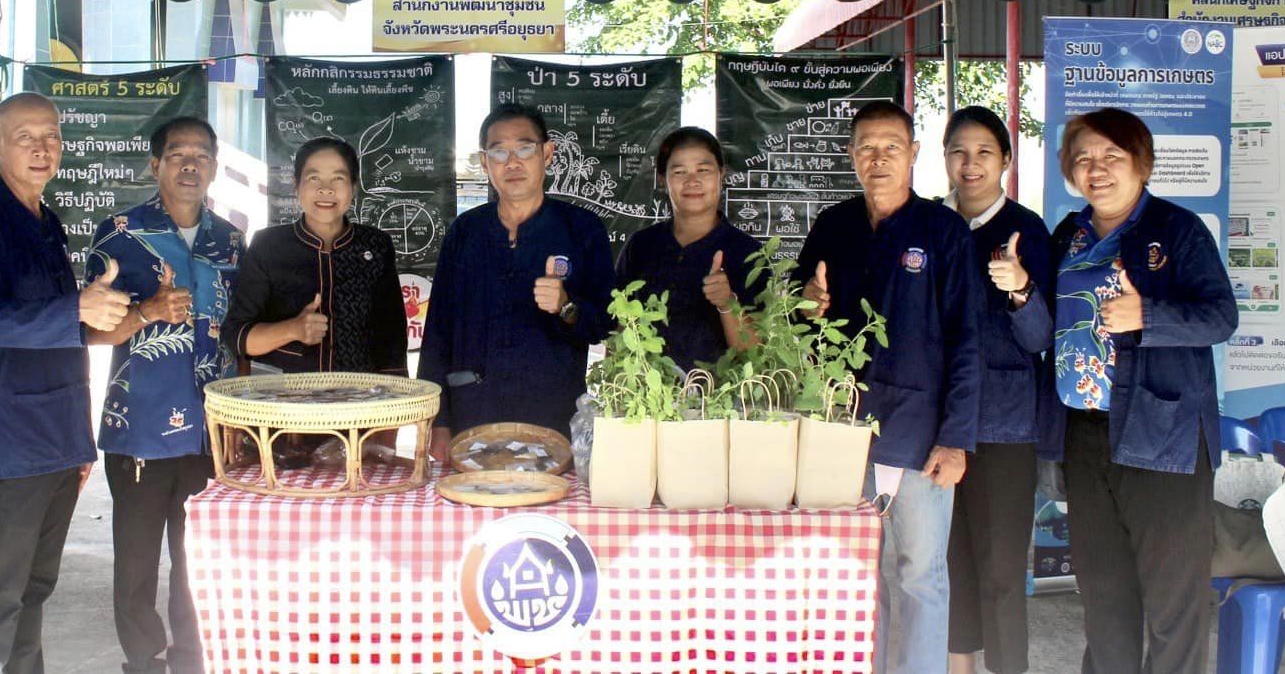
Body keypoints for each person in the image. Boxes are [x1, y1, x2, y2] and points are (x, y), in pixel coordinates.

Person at [1007, 108, 1235, 673]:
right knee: (1105, 600)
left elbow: (1220, 318)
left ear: (1141, 163)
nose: (1097, 168)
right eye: (1083, 157)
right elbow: (1044, 337)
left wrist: (1147, 315)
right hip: (1085, 437)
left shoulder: (1178, 230)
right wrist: (1020, 293)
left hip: (1165, 440)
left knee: (1171, 606)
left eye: (1112, 155)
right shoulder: (1069, 236)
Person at [0, 92, 132, 674]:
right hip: (10, 433)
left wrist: (80, 443)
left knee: (36, 584)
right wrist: (78, 306)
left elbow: (62, 338)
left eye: (51, 136)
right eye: (26, 137)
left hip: (56, 433)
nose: (42, 148)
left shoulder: (47, 222)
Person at [793, 100, 983, 674]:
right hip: (843, 429)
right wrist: (809, 304)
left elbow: (967, 338)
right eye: (867, 148)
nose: (879, 159)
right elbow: (802, 316)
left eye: (891, 147)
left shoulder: (944, 232)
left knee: (921, 575)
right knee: (854, 570)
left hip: (922, 433)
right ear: (852, 156)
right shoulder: (834, 226)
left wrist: (956, 439)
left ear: (914, 155)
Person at [84, 116, 244, 674]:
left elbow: (239, 333)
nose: (190, 165)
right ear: (155, 165)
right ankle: (144, 661)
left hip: (212, 429)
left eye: (201, 155)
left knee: (197, 557)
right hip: (141, 427)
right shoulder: (118, 234)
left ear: (215, 167)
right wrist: (146, 311)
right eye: (177, 154)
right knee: (136, 560)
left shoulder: (230, 238)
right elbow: (88, 331)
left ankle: (193, 656)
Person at [419, 103, 614, 457]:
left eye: (525, 149)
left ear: (548, 153)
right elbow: (437, 334)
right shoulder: (465, 233)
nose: (512, 162)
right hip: (471, 418)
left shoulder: (582, 229)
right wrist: (438, 423)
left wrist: (566, 306)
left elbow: (603, 324)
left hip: (551, 420)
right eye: (499, 152)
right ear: (484, 162)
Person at [938, 107, 1052, 674]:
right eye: (959, 151)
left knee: (1003, 568)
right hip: (937, 425)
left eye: (984, 152)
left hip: (1005, 425)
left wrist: (1021, 289)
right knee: (949, 559)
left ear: (1006, 160)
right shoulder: (929, 226)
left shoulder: (1028, 231)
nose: (971, 163)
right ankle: (959, 666)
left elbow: (1042, 339)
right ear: (944, 159)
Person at [221, 136, 406, 378]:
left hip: (359, 403)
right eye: (313, 177)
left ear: (353, 186)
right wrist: (292, 330)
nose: (326, 189)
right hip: (281, 403)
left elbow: (392, 335)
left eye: (338, 178)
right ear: (296, 185)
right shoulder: (268, 246)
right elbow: (236, 337)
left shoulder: (375, 245)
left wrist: (394, 403)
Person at [615, 127, 762, 371]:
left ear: (721, 174)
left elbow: (757, 355)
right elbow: (619, 331)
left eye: (703, 170)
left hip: (722, 402)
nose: (692, 181)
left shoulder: (749, 253)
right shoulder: (641, 246)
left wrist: (727, 303)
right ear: (663, 179)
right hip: (649, 401)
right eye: (679, 171)